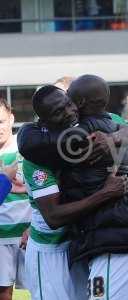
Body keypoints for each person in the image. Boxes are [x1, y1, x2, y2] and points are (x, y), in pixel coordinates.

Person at [19, 76, 128, 300]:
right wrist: (104, 192)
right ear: (44, 121)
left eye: (68, 103)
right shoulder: (38, 151)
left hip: (91, 242)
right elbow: (53, 216)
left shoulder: (99, 125)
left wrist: (113, 137)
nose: (69, 112)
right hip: (52, 247)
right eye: (58, 111)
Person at [0, 98, 31, 300]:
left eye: (1, 121)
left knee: (40, 287)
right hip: (1, 235)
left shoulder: (28, 148)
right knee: (3, 291)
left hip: (29, 233)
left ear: (11, 118)